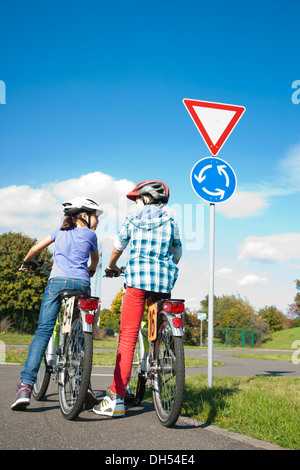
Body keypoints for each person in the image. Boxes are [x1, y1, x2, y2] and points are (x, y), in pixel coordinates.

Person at [93, 180, 182, 418]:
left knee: (128, 337)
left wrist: (111, 266)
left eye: (138, 199)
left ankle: (116, 398)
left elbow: (117, 248)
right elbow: (177, 253)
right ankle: (158, 360)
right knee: (155, 331)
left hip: (136, 283)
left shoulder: (133, 219)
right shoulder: (171, 222)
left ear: (144, 198)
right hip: (162, 284)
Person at [11, 197, 103, 411]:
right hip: (81, 284)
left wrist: (27, 261)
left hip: (57, 283)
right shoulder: (91, 235)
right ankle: (81, 383)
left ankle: (25, 386)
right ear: (83, 216)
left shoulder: (58, 232)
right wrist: (90, 269)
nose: (97, 221)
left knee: (43, 331)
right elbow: (95, 261)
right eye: (95, 216)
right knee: (80, 333)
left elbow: (34, 249)